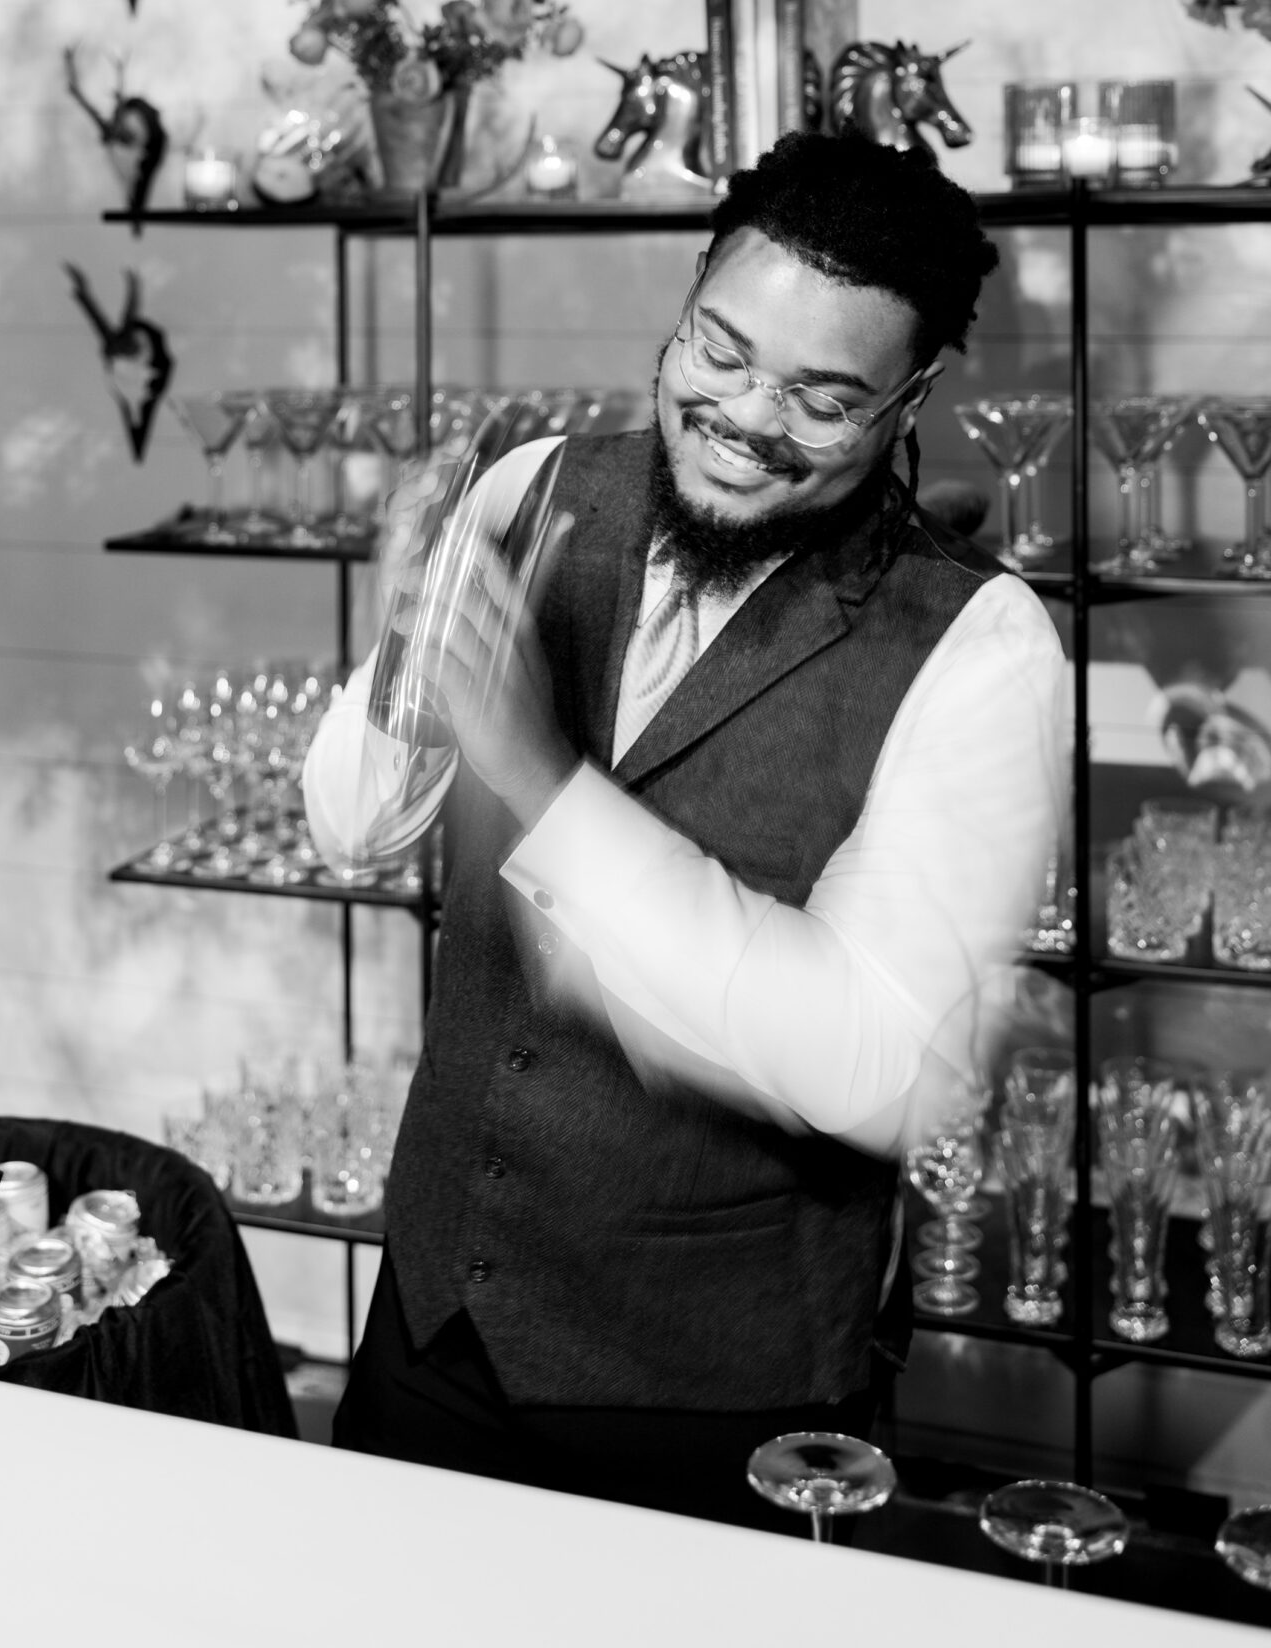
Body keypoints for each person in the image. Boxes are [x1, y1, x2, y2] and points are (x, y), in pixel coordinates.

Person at [302, 129, 1067, 1525]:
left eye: (824, 397)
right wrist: (412, 664)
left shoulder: (982, 648)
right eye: (719, 352)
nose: (747, 419)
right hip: (430, 1324)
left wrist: (541, 777)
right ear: (686, 302)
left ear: (912, 398)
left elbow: (876, 1062)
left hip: (710, 1398)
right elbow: (352, 830)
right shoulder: (532, 486)